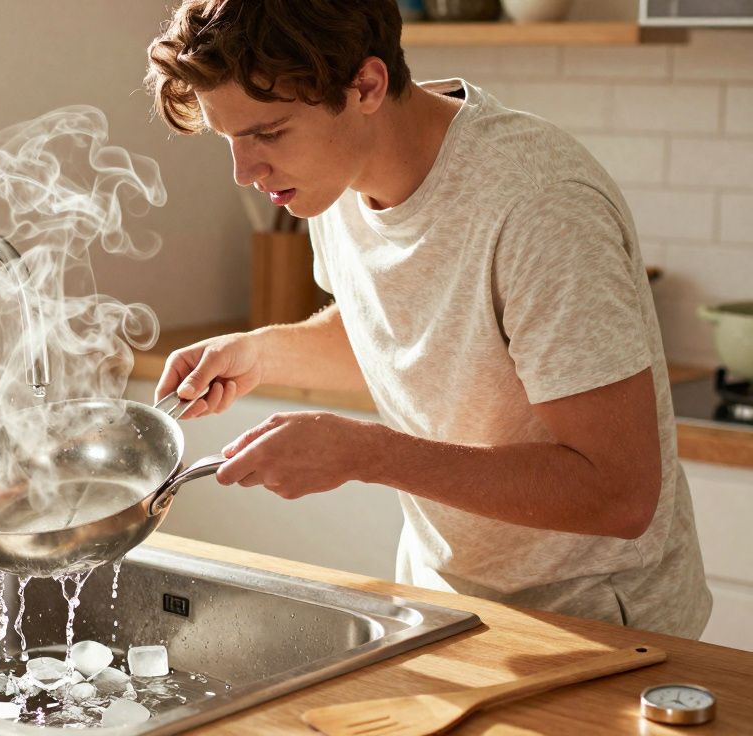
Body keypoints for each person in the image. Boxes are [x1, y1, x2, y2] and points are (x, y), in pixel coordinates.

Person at [143, 0, 710, 637]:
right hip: (444, 598)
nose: (246, 173)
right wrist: (260, 354)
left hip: (598, 621)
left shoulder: (538, 206)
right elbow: (407, 337)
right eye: (231, 139)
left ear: (366, 86)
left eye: (268, 134)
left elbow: (618, 492)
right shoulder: (333, 174)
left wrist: (366, 453)